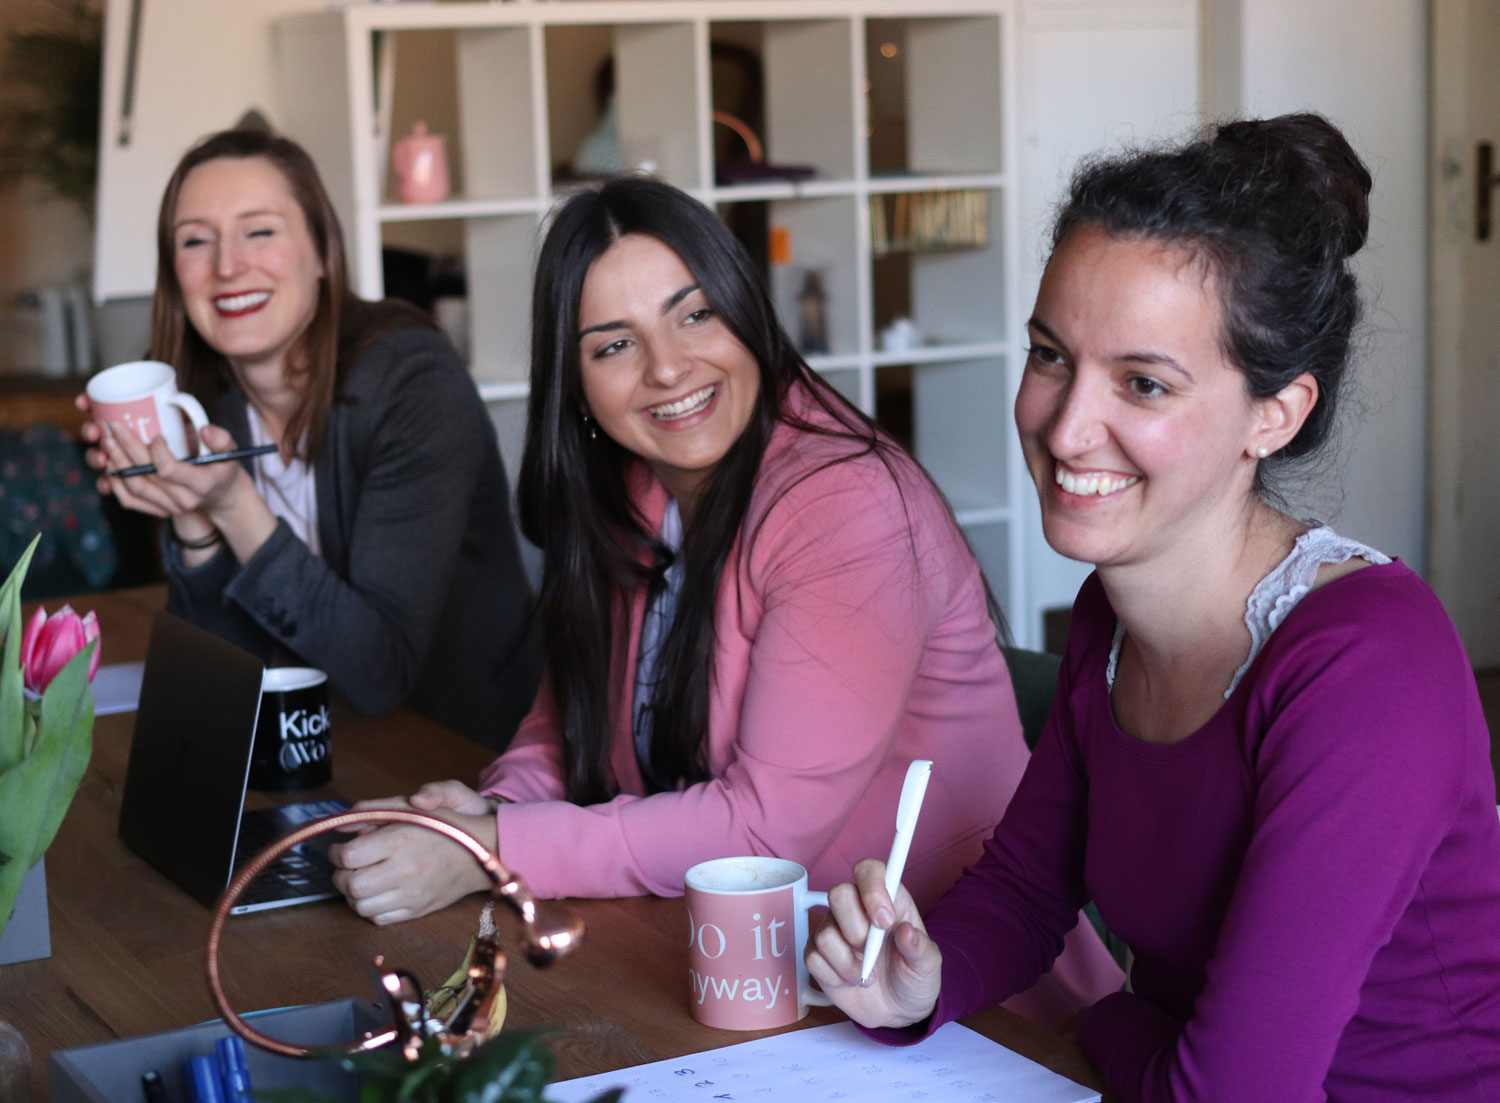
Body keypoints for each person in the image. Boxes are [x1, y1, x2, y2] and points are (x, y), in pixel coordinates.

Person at [806, 113, 1500, 1100]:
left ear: (1277, 413)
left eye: (1143, 381)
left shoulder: (1368, 667)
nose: (1066, 423)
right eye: (1051, 355)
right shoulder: (1109, 613)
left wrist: (1114, 1019)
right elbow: (1027, 884)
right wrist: (920, 979)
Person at [328, 176, 1123, 1024]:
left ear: (746, 310)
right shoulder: (632, 490)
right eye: (612, 345)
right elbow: (568, 723)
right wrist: (492, 808)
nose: (668, 366)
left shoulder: (843, 502)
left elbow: (765, 834)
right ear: (576, 385)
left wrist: (493, 850)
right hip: (747, 980)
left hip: (955, 1001)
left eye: (694, 313)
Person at [81, 128, 541, 750]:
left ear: (322, 251)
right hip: (312, 746)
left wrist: (234, 506)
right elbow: (224, 680)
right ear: (174, 275)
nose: (227, 265)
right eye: (196, 240)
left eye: (260, 230)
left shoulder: (413, 381)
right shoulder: (202, 403)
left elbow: (380, 674)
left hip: (463, 756)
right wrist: (194, 521)